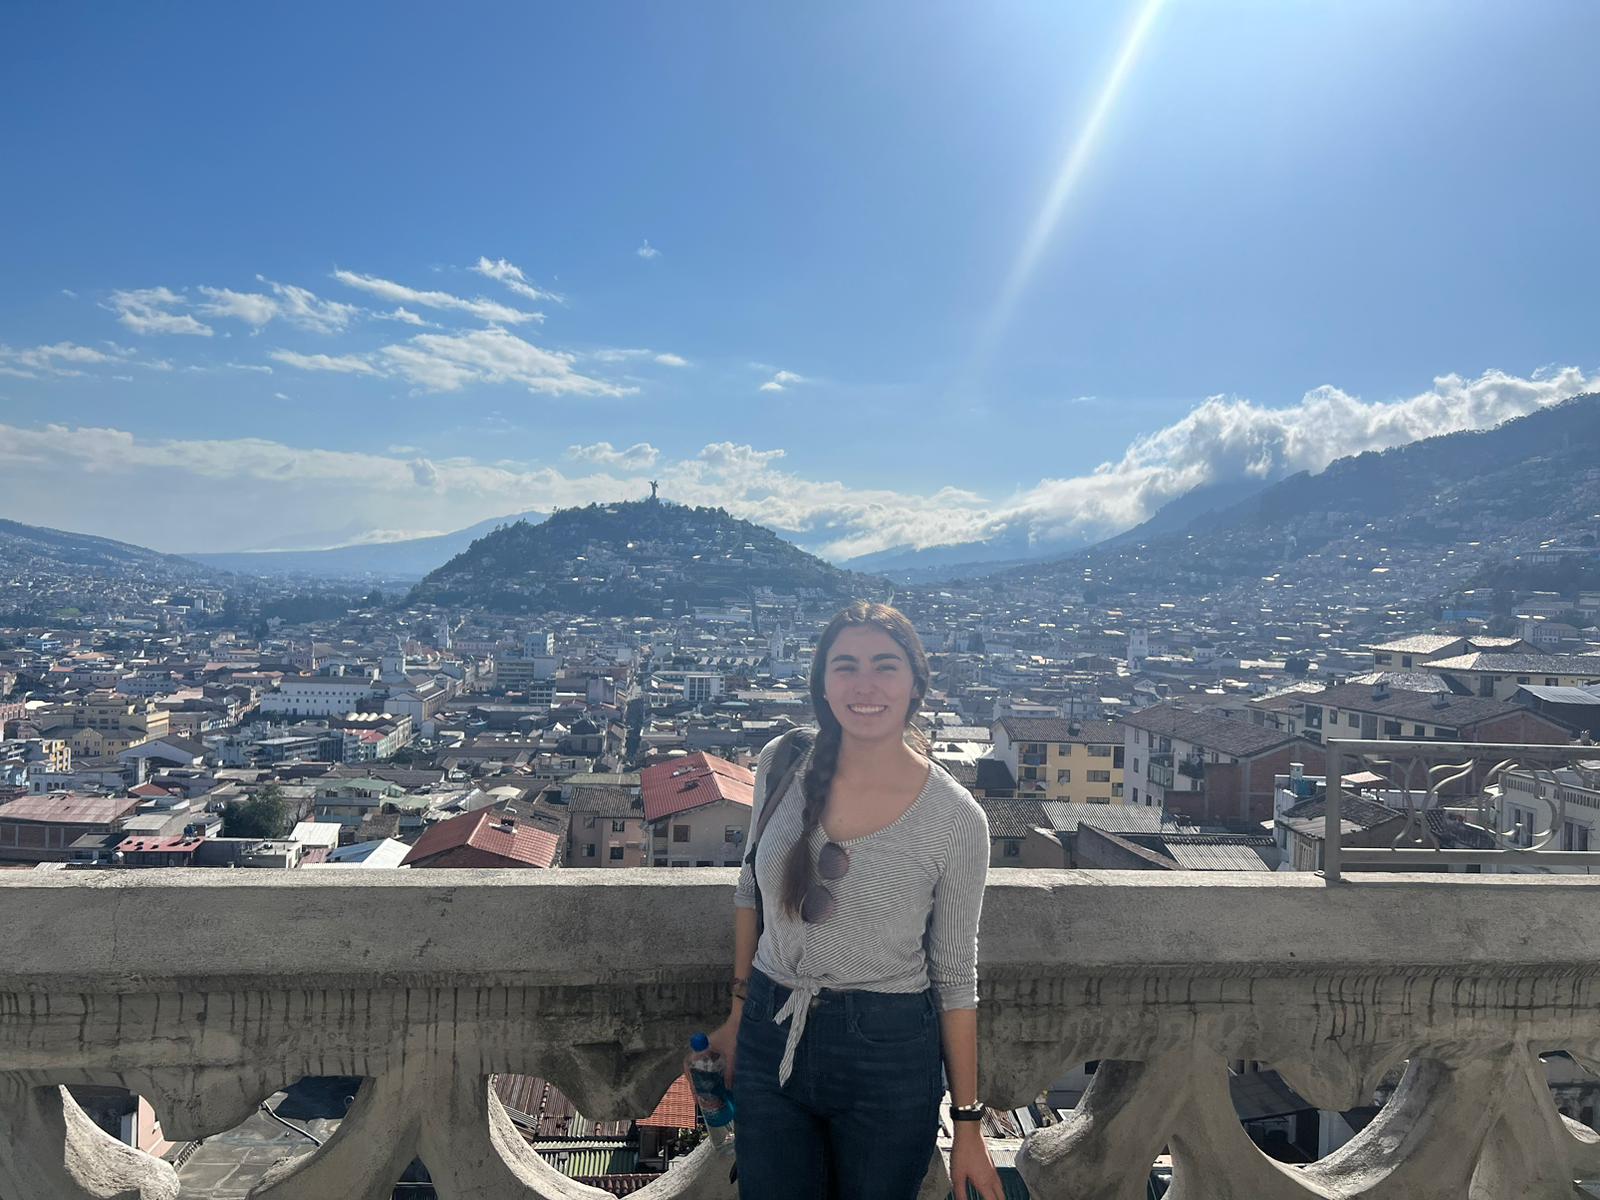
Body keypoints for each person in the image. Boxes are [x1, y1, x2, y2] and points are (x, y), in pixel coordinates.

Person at [689, 600, 1003, 1200]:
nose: (866, 685)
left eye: (885, 666)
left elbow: (956, 977)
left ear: (915, 683)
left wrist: (968, 1126)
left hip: (887, 1051)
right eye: (846, 666)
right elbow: (749, 889)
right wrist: (737, 1014)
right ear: (822, 683)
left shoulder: (956, 818)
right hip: (768, 1030)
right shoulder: (782, 761)